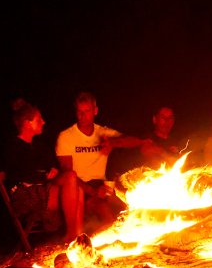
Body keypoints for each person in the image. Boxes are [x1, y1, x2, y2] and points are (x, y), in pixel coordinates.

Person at [56, 93, 149, 227]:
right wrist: (92, 191)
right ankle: (102, 244)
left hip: (102, 185)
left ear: (95, 111)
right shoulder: (66, 136)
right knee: (107, 213)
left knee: (131, 208)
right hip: (79, 189)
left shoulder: (103, 132)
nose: (82, 116)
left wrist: (114, 143)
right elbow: (67, 175)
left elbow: (135, 141)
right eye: (79, 112)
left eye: (87, 111)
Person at [0, 99, 83, 243]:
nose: (43, 122)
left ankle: (79, 236)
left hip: (42, 188)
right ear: (27, 123)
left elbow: (52, 165)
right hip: (24, 196)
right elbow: (18, 173)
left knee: (75, 185)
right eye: (39, 120)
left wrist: (50, 172)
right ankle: (72, 237)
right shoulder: (12, 146)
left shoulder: (38, 145)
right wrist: (44, 175)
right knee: (71, 180)